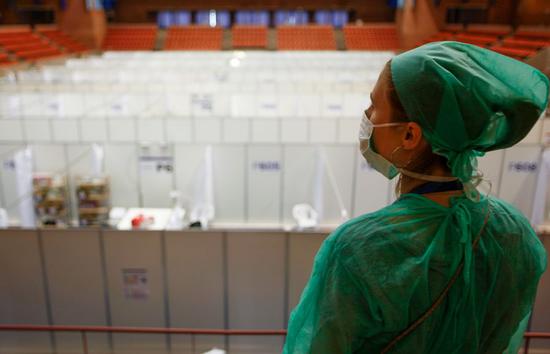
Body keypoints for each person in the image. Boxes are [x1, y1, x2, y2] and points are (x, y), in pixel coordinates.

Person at [283, 41, 549, 354]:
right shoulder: (516, 234)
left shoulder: (357, 249)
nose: (367, 115)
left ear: (410, 135)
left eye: (374, 106)